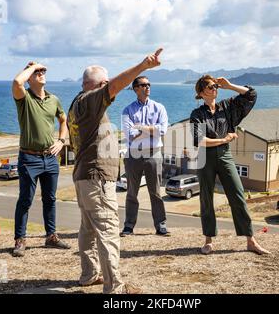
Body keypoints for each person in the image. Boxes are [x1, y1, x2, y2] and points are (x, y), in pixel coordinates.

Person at [67, 48, 164, 294]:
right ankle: (115, 288)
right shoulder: (90, 101)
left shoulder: (77, 104)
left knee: (88, 229)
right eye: (106, 84)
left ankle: (89, 274)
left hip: (84, 177)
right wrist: (143, 65)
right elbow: (115, 87)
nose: (109, 88)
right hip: (96, 178)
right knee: (109, 230)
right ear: (99, 84)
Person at [190, 75, 270, 255]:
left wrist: (230, 86)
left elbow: (251, 95)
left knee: (237, 194)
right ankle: (208, 241)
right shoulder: (197, 114)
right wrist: (223, 139)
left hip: (225, 156)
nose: (215, 89)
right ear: (202, 92)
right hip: (205, 157)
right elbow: (199, 140)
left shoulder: (227, 107)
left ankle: (251, 241)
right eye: (211, 87)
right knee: (206, 199)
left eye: (216, 86)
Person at [11, 62, 71, 257]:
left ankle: (51, 236)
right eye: (37, 72)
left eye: (43, 71)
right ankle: (20, 240)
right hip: (29, 158)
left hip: (51, 157)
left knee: (50, 199)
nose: (41, 73)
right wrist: (33, 65)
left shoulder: (53, 99)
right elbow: (16, 81)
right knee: (26, 200)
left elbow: (64, 120)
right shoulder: (24, 97)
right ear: (29, 77)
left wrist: (61, 141)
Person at [120, 76, 169, 237]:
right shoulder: (127, 110)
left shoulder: (159, 107)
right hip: (133, 155)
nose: (147, 87)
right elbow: (129, 134)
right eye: (143, 85)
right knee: (132, 192)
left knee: (155, 192)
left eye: (149, 84)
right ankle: (128, 226)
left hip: (153, 154)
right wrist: (151, 130)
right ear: (135, 89)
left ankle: (161, 225)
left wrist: (140, 127)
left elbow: (162, 130)